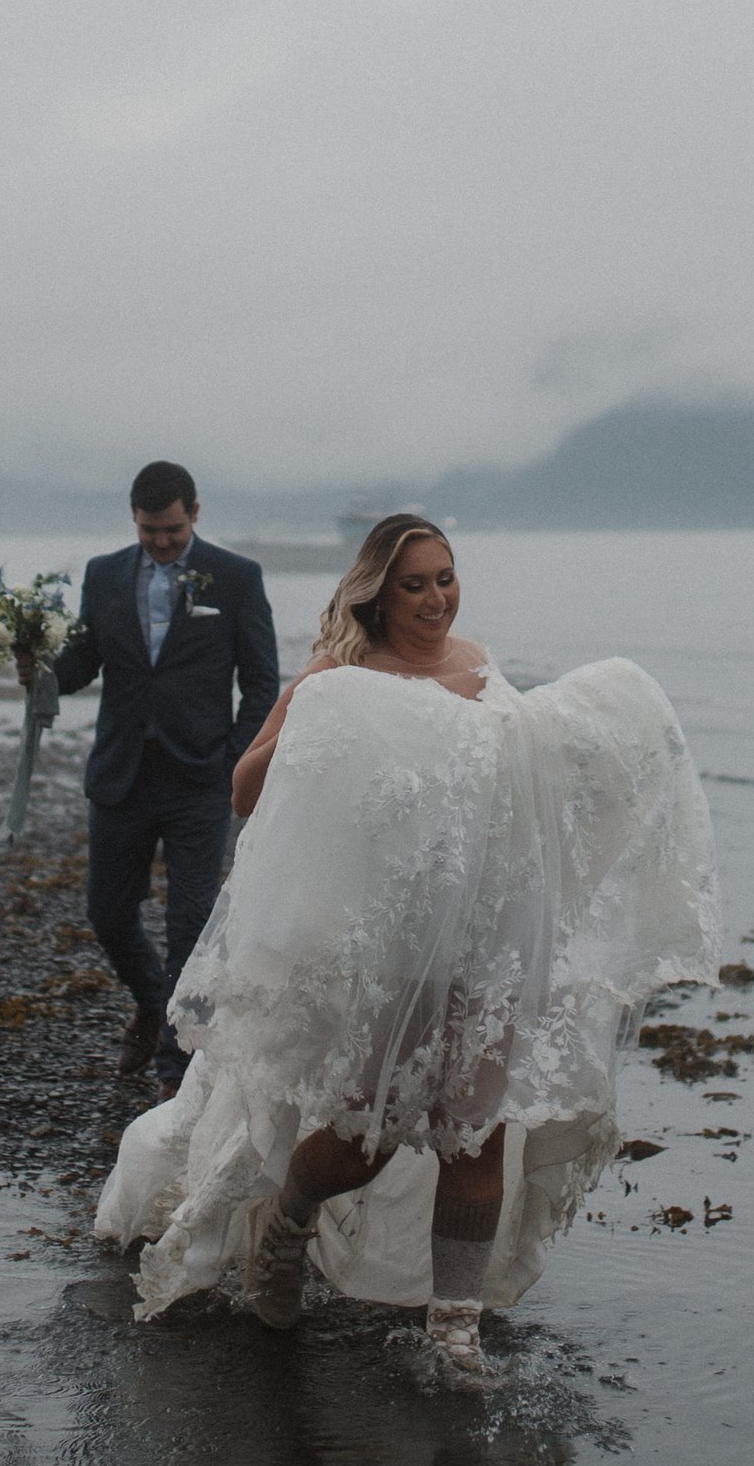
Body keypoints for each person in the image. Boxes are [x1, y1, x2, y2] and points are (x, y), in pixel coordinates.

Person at [96, 514, 718, 1382]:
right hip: (393, 946)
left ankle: (455, 1328)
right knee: (364, 1134)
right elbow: (244, 789)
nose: (436, 598)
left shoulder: (478, 662)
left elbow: (520, 778)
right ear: (377, 593)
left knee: (477, 1133)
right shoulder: (340, 675)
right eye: (415, 583)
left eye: (446, 577)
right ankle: (287, 1231)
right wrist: (315, 716)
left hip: (486, 939)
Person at [47, 462, 280, 1088]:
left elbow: (261, 681)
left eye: (172, 529)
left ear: (195, 513)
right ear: (135, 519)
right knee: (107, 911)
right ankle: (154, 1004)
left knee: (190, 921)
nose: (162, 542)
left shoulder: (236, 577)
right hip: (121, 771)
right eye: (150, 530)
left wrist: (233, 758)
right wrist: (38, 670)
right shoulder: (103, 575)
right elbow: (83, 660)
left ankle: (177, 1065)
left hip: (199, 777)